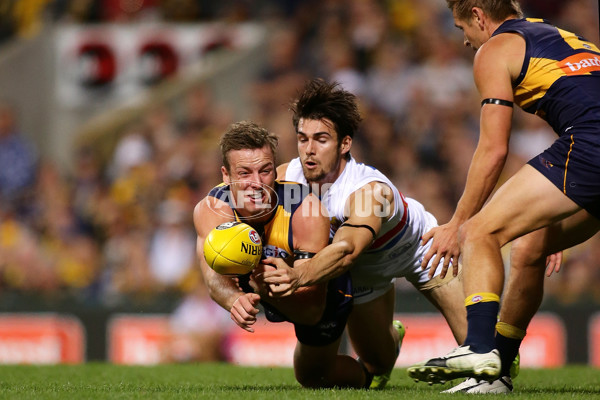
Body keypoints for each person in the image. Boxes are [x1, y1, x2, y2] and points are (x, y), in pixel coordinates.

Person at [407, 0, 600, 391]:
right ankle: (496, 374)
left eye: (463, 29)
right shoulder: (565, 38)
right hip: (588, 150)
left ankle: (478, 348)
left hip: (591, 147)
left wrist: (458, 222)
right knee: (531, 244)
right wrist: (550, 207)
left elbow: (494, 148)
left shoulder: (494, 49)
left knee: (480, 233)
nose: (465, 42)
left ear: (479, 15)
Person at [262, 79, 477, 390]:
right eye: (302, 138)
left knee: (481, 351)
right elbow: (242, 207)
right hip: (364, 271)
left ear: (344, 143)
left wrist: (298, 275)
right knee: (373, 367)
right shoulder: (288, 178)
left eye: (321, 139)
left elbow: (347, 249)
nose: (309, 150)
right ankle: (392, 336)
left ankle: (499, 356)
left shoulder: (367, 191)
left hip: (420, 249)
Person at [193, 121, 366, 388]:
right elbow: (212, 276)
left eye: (265, 171)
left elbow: (312, 311)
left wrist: (261, 288)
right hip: (263, 283)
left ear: (275, 170)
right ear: (226, 176)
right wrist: (233, 299)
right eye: (244, 173)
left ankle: (369, 374)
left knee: (313, 377)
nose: (256, 183)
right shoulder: (212, 209)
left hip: (320, 291)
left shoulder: (306, 211)